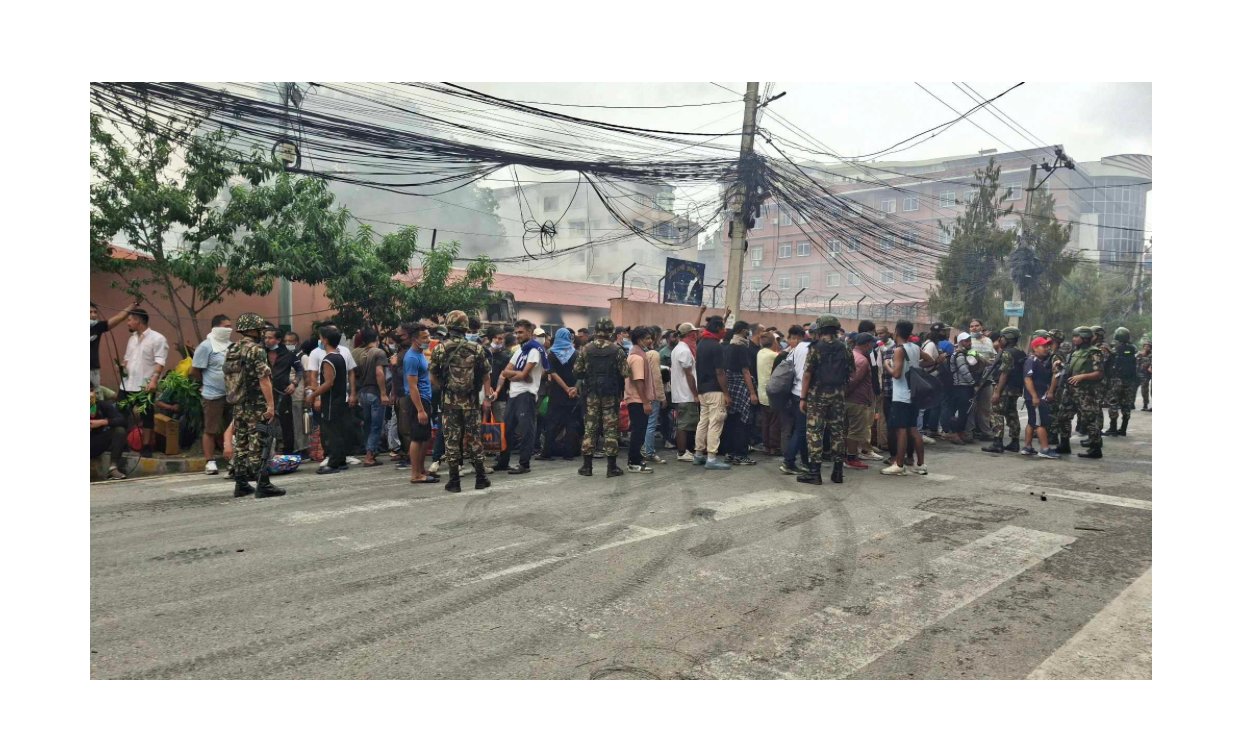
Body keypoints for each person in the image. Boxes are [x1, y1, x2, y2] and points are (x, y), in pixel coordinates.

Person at [222, 313, 285, 497]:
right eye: (260, 330)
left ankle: (241, 483)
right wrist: (270, 406)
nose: (262, 333)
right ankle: (263, 484)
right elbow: (264, 379)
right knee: (259, 443)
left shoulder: (232, 348)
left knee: (241, 445)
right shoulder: (256, 350)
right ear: (253, 330)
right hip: (256, 406)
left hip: (238, 405)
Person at [430, 310, 494, 492]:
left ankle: (454, 482)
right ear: (466, 327)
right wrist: (486, 396)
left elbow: (433, 376)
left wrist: (445, 388)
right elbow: (486, 375)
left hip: (450, 403)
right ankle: (481, 478)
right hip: (471, 402)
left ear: (449, 326)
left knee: (452, 440)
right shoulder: (477, 348)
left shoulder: (440, 348)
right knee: (474, 439)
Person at [798, 315, 854, 485]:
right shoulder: (845, 348)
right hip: (838, 396)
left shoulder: (815, 348)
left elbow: (807, 374)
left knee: (815, 432)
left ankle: (815, 473)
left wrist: (803, 397)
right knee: (837, 432)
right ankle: (838, 472)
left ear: (820, 329)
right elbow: (852, 372)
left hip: (817, 395)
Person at [574, 317, 628, 477]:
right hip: (610, 394)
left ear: (596, 331)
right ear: (611, 331)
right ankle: (611, 467)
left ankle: (587, 466)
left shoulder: (586, 349)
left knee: (590, 428)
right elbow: (626, 372)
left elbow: (577, 371)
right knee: (610, 429)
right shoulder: (617, 350)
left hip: (591, 394)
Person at [305, 324, 359, 467]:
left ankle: (334, 461)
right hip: (339, 398)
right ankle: (341, 460)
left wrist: (313, 395)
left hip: (330, 401)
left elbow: (329, 383)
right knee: (339, 430)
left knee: (332, 432)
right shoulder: (339, 356)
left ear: (325, 340)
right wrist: (315, 387)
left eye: (321, 337)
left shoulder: (328, 359)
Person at [496, 319, 545, 475]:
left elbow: (524, 375)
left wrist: (516, 375)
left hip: (527, 394)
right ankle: (503, 462)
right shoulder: (519, 351)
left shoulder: (534, 350)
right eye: (516, 332)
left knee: (526, 431)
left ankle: (524, 464)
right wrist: (518, 375)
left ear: (530, 332)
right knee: (507, 430)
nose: (518, 335)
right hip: (513, 394)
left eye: (521, 332)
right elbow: (505, 372)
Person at [119, 308, 169, 458]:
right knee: (120, 414)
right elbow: (127, 358)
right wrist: (122, 366)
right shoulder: (132, 339)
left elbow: (160, 361)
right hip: (127, 383)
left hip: (145, 384)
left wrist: (154, 380)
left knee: (146, 415)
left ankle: (146, 446)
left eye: (129, 320)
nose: (127, 323)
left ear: (138, 321)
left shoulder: (158, 338)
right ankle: (121, 443)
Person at [188, 314, 234, 475]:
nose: (229, 329)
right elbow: (194, 371)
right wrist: (206, 383)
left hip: (232, 394)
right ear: (216, 328)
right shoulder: (206, 347)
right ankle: (210, 461)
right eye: (226, 326)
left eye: (230, 326)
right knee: (210, 428)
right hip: (212, 395)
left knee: (233, 428)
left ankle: (233, 460)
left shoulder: (232, 346)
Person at [882, 320, 928, 476]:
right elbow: (930, 360)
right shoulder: (915, 347)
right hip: (913, 395)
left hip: (901, 396)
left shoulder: (899, 350)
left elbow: (896, 374)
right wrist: (915, 366)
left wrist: (887, 365)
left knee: (901, 430)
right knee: (913, 429)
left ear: (896, 332)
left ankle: (899, 464)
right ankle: (920, 464)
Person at [1053, 327, 1105, 459]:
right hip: (1070, 391)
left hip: (1086, 393)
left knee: (1090, 419)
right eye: (1074, 336)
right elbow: (1071, 369)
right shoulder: (1075, 352)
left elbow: (1099, 373)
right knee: (1063, 417)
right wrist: (1061, 365)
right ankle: (1064, 444)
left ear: (1085, 338)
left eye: (1077, 336)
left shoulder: (1094, 352)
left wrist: (1082, 377)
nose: (1074, 339)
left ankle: (1095, 448)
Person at [693, 315, 732, 470]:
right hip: (715, 390)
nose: (725, 331)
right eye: (723, 328)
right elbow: (720, 372)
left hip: (702, 389)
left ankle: (698, 454)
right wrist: (726, 393)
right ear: (717, 329)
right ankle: (711, 458)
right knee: (716, 422)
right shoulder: (716, 347)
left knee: (703, 422)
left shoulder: (701, 343)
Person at [980, 327, 1025, 454]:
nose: (1000, 339)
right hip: (1015, 388)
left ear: (1008, 338)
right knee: (1012, 414)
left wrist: (997, 392)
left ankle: (997, 442)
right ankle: (1014, 442)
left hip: (1005, 388)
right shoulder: (1020, 352)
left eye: (1002, 337)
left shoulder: (1007, 353)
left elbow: (1004, 373)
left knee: (996, 413)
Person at [351, 328, 391, 466]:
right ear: (377, 339)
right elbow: (379, 373)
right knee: (376, 426)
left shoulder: (355, 353)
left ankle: (370, 451)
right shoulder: (379, 353)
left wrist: (354, 393)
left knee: (367, 424)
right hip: (375, 392)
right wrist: (383, 393)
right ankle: (369, 456)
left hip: (362, 393)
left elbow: (352, 375)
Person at [541, 327, 582, 460]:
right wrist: (574, 389)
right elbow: (581, 374)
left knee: (552, 423)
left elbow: (552, 373)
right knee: (571, 424)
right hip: (573, 395)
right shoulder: (576, 354)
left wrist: (565, 389)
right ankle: (569, 453)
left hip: (556, 393)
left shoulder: (551, 354)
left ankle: (546, 453)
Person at [403, 324, 436, 484]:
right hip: (418, 400)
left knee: (425, 437)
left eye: (428, 336)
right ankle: (415, 474)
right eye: (424, 337)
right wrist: (420, 410)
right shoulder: (411, 357)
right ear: (415, 339)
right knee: (417, 438)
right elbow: (412, 386)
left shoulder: (420, 354)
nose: (428, 340)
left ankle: (421, 470)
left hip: (425, 399)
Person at [724, 321, 758, 466]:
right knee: (743, 422)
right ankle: (741, 454)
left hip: (730, 386)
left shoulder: (728, 346)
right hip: (741, 386)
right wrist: (752, 393)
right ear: (744, 331)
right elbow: (745, 371)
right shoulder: (742, 347)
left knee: (731, 421)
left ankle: (730, 453)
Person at [1020, 336, 1060, 458]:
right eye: (1043, 346)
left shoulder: (1040, 362)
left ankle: (1027, 447)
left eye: (1047, 346)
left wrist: (1054, 369)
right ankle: (1044, 449)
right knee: (1040, 423)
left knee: (1032, 422)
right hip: (1036, 397)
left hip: (1037, 396)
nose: (1047, 348)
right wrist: (1034, 396)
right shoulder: (1031, 361)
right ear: (1035, 348)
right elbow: (1028, 379)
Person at [780, 325, 811, 476]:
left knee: (801, 429)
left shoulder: (795, 349)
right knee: (801, 430)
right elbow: (807, 374)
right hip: (804, 393)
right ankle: (789, 462)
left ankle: (805, 462)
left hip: (794, 392)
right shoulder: (810, 348)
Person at [263, 326, 299, 456]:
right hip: (265, 394)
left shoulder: (288, 354)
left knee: (286, 425)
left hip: (283, 393)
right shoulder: (260, 353)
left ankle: (288, 453)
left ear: (278, 340)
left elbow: (300, 370)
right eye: (265, 337)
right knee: (265, 423)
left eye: (270, 338)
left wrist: (294, 383)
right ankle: (265, 454)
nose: (267, 340)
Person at [624, 327, 656, 473]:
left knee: (640, 431)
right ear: (639, 340)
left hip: (637, 399)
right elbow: (638, 381)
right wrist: (645, 402)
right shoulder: (637, 358)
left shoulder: (637, 354)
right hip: (637, 400)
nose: (650, 341)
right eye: (647, 338)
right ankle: (633, 462)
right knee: (638, 431)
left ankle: (636, 460)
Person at [844, 332, 876, 471]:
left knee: (846, 429)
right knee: (855, 431)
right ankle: (851, 458)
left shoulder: (850, 355)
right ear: (867, 344)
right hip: (857, 401)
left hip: (847, 400)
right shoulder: (862, 360)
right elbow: (853, 381)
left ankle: (845, 455)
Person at [942, 333, 980, 445]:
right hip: (961, 387)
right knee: (961, 411)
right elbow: (964, 371)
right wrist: (973, 383)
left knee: (964, 412)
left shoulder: (965, 353)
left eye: (969, 341)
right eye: (966, 341)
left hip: (963, 386)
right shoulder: (959, 355)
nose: (969, 343)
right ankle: (954, 433)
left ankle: (960, 432)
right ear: (960, 342)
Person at [670, 322, 700, 462]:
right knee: (684, 424)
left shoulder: (679, 348)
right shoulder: (684, 351)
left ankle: (685, 450)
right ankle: (682, 452)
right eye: (695, 333)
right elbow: (689, 374)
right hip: (685, 394)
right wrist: (695, 394)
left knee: (684, 423)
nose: (696, 335)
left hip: (681, 393)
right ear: (690, 334)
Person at [91, 300, 138, 388]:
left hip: (92, 370)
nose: (93, 315)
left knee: (94, 394)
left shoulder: (97, 326)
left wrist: (134, 304)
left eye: (95, 312)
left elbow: (119, 317)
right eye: (90, 312)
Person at [1105, 327, 1140, 437]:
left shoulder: (1115, 350)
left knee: (1113, 403)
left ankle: (1113, 428)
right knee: (1126, 405)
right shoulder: (1133, 349)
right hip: (1129, 381)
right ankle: (1123, 428)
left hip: (1117, 380)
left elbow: (1108, 364)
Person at [90, 384, 128, 480]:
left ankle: (113, 469)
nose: (90, 395)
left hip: (95, 443)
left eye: (91, 391)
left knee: (119, 430)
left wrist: (102, 422)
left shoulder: (101, 405)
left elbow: (121, 420)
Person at [641, 327, 668, 464]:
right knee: (651, 424)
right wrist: (661, 396)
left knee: (642, 424)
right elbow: (656, 377)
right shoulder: (653, 354)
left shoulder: (636, 352)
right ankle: (649, 452)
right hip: (651, 393)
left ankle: (642, 449)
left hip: (639, 393)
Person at [967, 319, 996, 441]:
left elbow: (993, 358)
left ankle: (986, 432)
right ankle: (969, 432)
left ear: (981, 327)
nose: (974, 328)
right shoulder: (968, 341)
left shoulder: (988, 341)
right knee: (971, 407)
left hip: (987, 379)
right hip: (972, 379)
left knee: (985, 407)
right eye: (971, 326)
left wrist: (988, 362)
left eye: (977, 325)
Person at [755, 329, 782, 456]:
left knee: (765, 421)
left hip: (761, 392)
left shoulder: (760, 353)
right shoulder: (773, 355)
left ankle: (766, 446)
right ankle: (774, 447)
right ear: (773, 342)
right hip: (773, 393)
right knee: (774, 422)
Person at [283, 331, 309, 455]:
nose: (288, 344)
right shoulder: (284, 355)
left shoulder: (303, 357)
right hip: (286, 395)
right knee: (290, 424)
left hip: (298, 395)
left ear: (297, 342)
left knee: (299, 424)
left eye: (291, 341)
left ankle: (302, 449)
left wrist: (307, 394)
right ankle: (293, 448)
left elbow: (307, 376)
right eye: (286, 341)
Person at [1137, 342, 1152, 411]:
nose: (1146, 348)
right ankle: (1145, 404)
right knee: (1144, 389)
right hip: (1144, 373)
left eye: (1148, 346)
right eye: (1145, 346)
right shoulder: (1140, 354)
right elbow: (1137, 362)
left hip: (1151, 372)